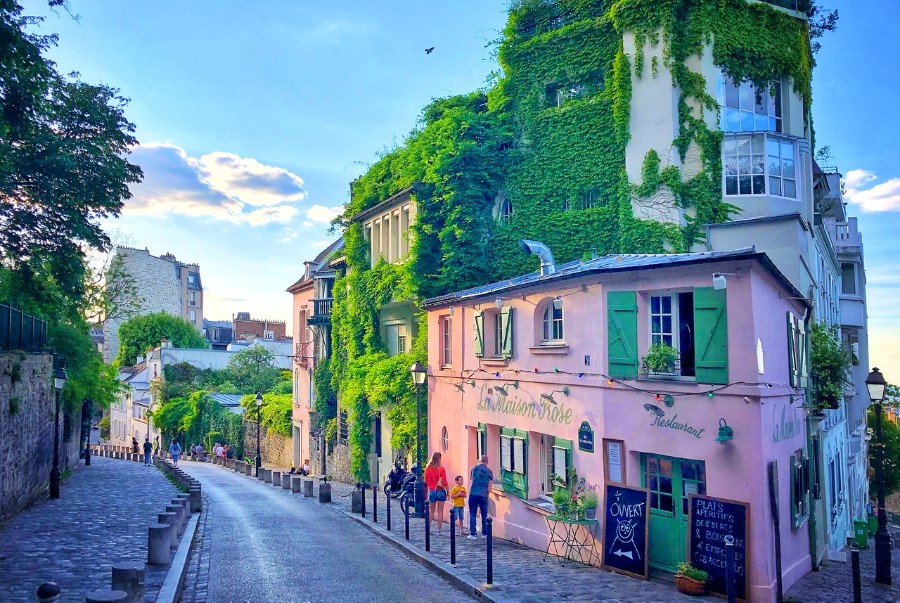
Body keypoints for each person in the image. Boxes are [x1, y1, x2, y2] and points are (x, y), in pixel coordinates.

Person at [467, 455, 493, 540]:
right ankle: (484, 533)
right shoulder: (489, 471)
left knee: (472, 513)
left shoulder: (474, 468)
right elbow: (490, 486)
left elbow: (471, 478)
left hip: (473, 493)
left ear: (480, 460)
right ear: (487, 461)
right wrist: (487, 493)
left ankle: (473, 534)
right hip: (483, 494)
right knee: (484, 514)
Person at [424, 451, 449, 535]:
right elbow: (445, 482)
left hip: (432, 491)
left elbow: (426, 481)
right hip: (441, 491)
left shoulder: (428, 469)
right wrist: (448, 492)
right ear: (439, 459)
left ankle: (428, 528)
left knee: (431, 510)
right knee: (440, 511)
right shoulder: (441, 469)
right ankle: (439, 530)